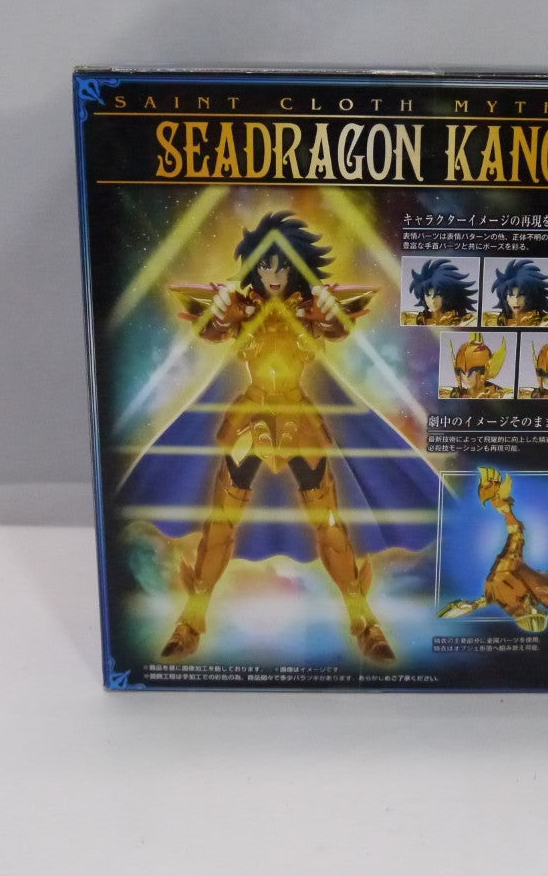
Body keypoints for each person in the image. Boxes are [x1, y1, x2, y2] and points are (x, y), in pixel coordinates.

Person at [160, 211, 394, 661]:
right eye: (265, 265)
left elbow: (338, 326)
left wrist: (329, 313)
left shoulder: (310, 308)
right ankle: (190, 622)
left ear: (296, 267)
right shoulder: (241, 307)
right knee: (220, 524)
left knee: (329, 525)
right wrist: (220, 310)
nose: (273, 274)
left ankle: (365, 621)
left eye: (282, 266)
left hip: (298, 421)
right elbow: (210, 328)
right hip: (250, 421)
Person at [437, 467, 548, 632]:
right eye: (535, 610)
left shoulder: (513, 602)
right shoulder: (541, 591)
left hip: (507, 570)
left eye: (530, 612)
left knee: (518, 541)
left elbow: (491, 598)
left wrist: (470, 606)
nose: (532, 609)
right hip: (515, 568)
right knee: (521, 544)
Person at [402, 258, 477, 326]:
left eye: (438, 295)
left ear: (450, 295)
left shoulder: (468, 321)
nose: (433, 301)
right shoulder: (412, 320)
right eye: (428, 295)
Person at [484, 258, 548, 327]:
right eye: (510, 295)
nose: (516, 301)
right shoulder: (491, 321)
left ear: (532, 295)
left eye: (521, 295)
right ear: (505, 298)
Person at [442, 333, 511, 399]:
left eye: (472, 371)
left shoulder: (503, 395)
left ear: (485, 369)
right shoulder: (451, 394)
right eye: (462, 371)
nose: (466, 376)